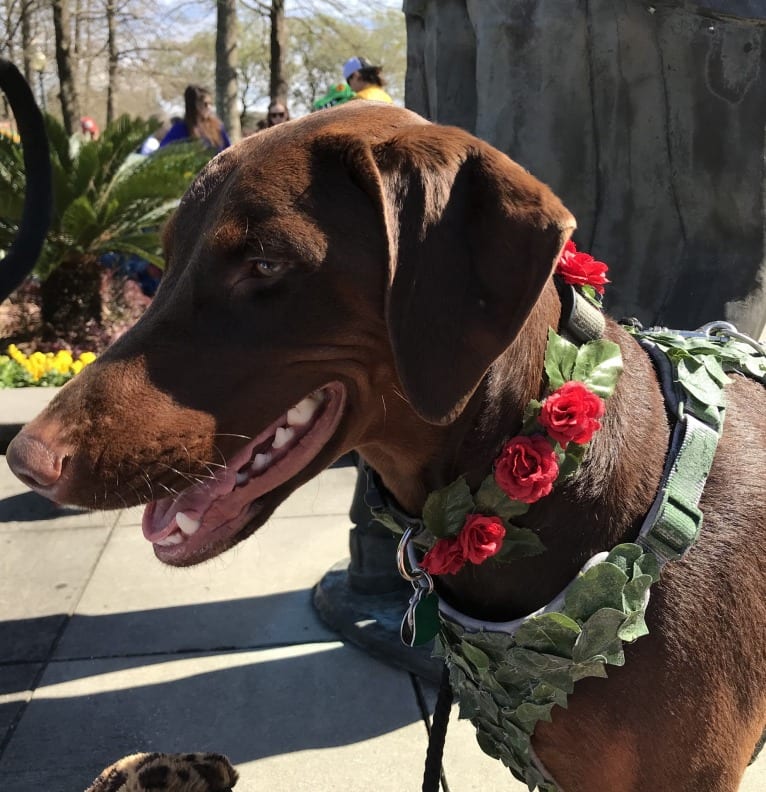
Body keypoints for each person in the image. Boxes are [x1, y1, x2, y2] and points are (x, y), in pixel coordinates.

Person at [159, 85, 230, 152]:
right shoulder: (181, 129)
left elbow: (229, 151)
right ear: (193, 105)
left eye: (210, 104)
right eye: (205, 104)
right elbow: (162, 151)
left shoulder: (217, 127)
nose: (209, 107)